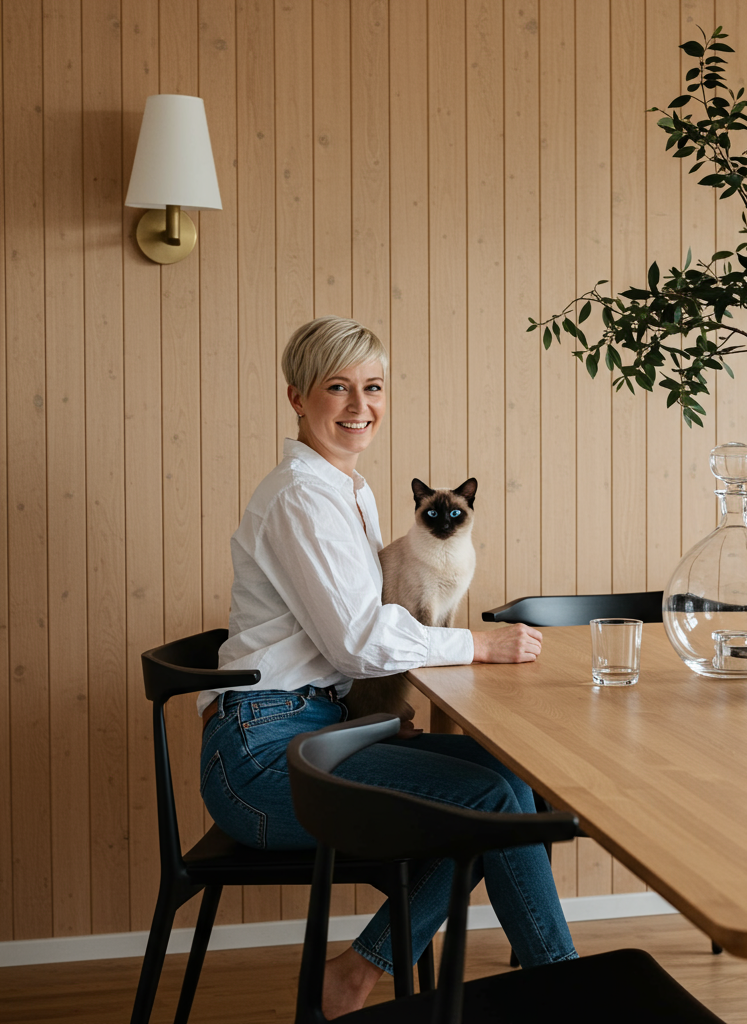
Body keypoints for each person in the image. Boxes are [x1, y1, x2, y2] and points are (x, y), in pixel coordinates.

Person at [198, 316, 577, 1016]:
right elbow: (356, 642)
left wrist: (379, 715)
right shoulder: (300, 497)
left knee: (505, 783)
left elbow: (368, 629)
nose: (358, 406)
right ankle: (567, 994)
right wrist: (475, 644)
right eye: (337, 387)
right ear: (296, 397)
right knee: (490, 802)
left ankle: (357, 970)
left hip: (320, 730)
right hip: (261, 760)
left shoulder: (351, 491)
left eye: (372, 388)